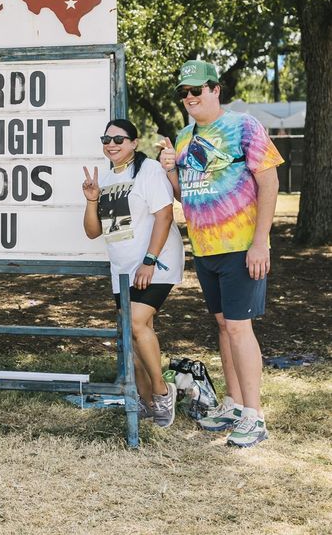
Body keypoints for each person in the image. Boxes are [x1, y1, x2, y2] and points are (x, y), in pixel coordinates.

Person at [159, 60, 283, 447]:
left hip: (240, 246)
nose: (190, 98)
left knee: (238, 327)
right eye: (184, 93)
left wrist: (260, 241)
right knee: (224, 327)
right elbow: (186, 195)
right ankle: (232, 403)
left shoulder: (244, 126)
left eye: (197, 90)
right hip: (206, 249)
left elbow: (269, 182)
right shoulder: (182, 138)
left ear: (216, 90)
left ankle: (254, 416)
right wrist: (170, 171)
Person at [82, 119, 185, 427]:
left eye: (119, 138)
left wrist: (150, 260)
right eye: (107, 138)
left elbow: (165, 215)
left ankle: (163, 392)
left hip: (156, 262)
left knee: (137, 324)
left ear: (134, 143)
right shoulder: (108, 178)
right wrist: (91, 200)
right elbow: (92, 231)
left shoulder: (149, 171)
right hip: (123, 268)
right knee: (133, 334)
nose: (112, 144)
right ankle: (145, 401)